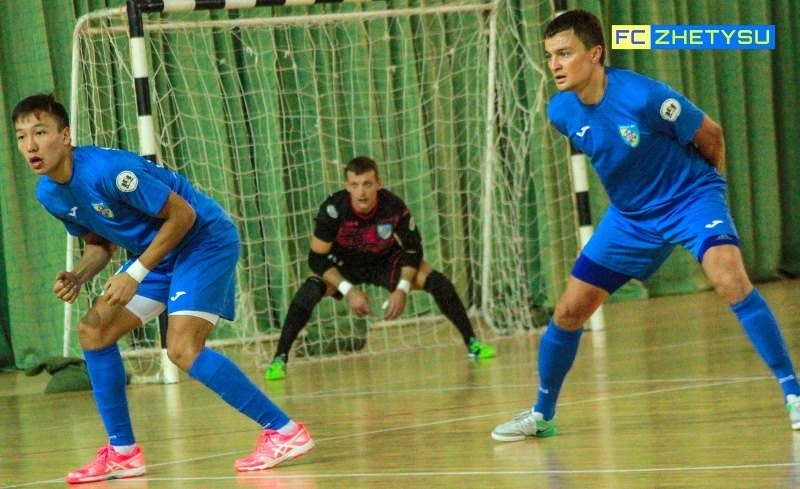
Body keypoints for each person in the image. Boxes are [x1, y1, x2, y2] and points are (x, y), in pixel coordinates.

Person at [492, 10, 800, 441]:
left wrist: (709, 194)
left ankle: (794, 392)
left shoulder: (646, 96)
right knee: (567, 312)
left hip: (690, 199)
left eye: (564, 53)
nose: (555, 65)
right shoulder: (560, 111)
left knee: (729, 280)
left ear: (595, 54)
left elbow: (711, 135)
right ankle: (541, 415)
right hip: (631, 219)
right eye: (549, 56)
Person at [12, 93, 315, 483]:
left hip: (203, 240)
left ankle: (284, 432)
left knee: (183, 348)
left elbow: (183, 215)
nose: (31, 145)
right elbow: (99, 245)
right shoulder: (49, 194)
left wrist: (135, 273)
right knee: (93, 331)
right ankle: (123, 453)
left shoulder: (109, 171)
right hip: (158, 253)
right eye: (21, 137)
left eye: (40, 133)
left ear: (66, 136)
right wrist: (78, 275)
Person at [265, 156, 495, 381]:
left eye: (367, 184)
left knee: (437, 281)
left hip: (384, 260)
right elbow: (317, 259)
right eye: (355, 185)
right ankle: (279, 359)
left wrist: (402, 288)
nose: (361, 192)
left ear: (378, 184)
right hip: (342, 264)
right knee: (310, 291)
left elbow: (413, 249)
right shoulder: (334, 209)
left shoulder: (393, 207)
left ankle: (472, 343)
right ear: (347, 187)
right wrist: (348, 290)